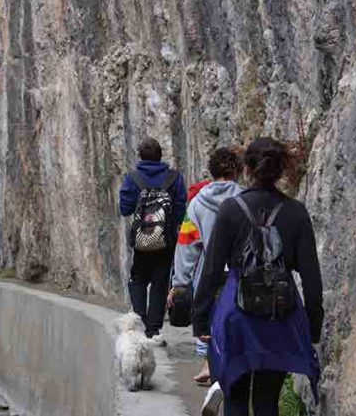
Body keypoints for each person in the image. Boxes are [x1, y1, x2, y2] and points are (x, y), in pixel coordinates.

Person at [192, 138, 323, 416]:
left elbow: (212, 267)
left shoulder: (230, 209)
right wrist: (313, 324)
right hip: (281, 316)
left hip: (237, 315)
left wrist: (200, 317)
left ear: (247, 169)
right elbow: (311, 275)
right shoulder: (296, 213)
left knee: (236, 396)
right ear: (281, 169)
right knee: (267, 400)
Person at [169, 147, 243, 385]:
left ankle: (212, 368)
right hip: (239, 274)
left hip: (207, 275)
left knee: (209, 323)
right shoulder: (244, 199)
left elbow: (187, 246)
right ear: (238, 171)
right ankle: (230, 371)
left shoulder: (197, 204)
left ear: (211, 171)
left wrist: (180, 283)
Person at [119, 137, 187, 342]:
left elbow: (125, 209)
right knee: (160, 281)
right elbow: (181, 208)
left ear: (140, 156)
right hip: (166, 240)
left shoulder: (133, 178)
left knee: (138, 279)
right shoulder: (174, 178)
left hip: (141, 241)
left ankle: (139, 322)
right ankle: (154, 330)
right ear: (160, 156)